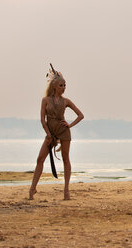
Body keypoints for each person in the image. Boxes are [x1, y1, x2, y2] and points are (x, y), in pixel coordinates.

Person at [29, 65, 84, 200]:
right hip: (50, 133)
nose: (64, 87)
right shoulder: (45, 100)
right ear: (54, 86)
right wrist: (48, 134)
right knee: (40, 159)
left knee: (66, 160)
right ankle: (32, 189)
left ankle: (66, 191)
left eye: (65, 85)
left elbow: (80, 115)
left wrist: (69, 125)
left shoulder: (66, 101)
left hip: (63, 132)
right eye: (61, 85)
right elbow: (42, 119)